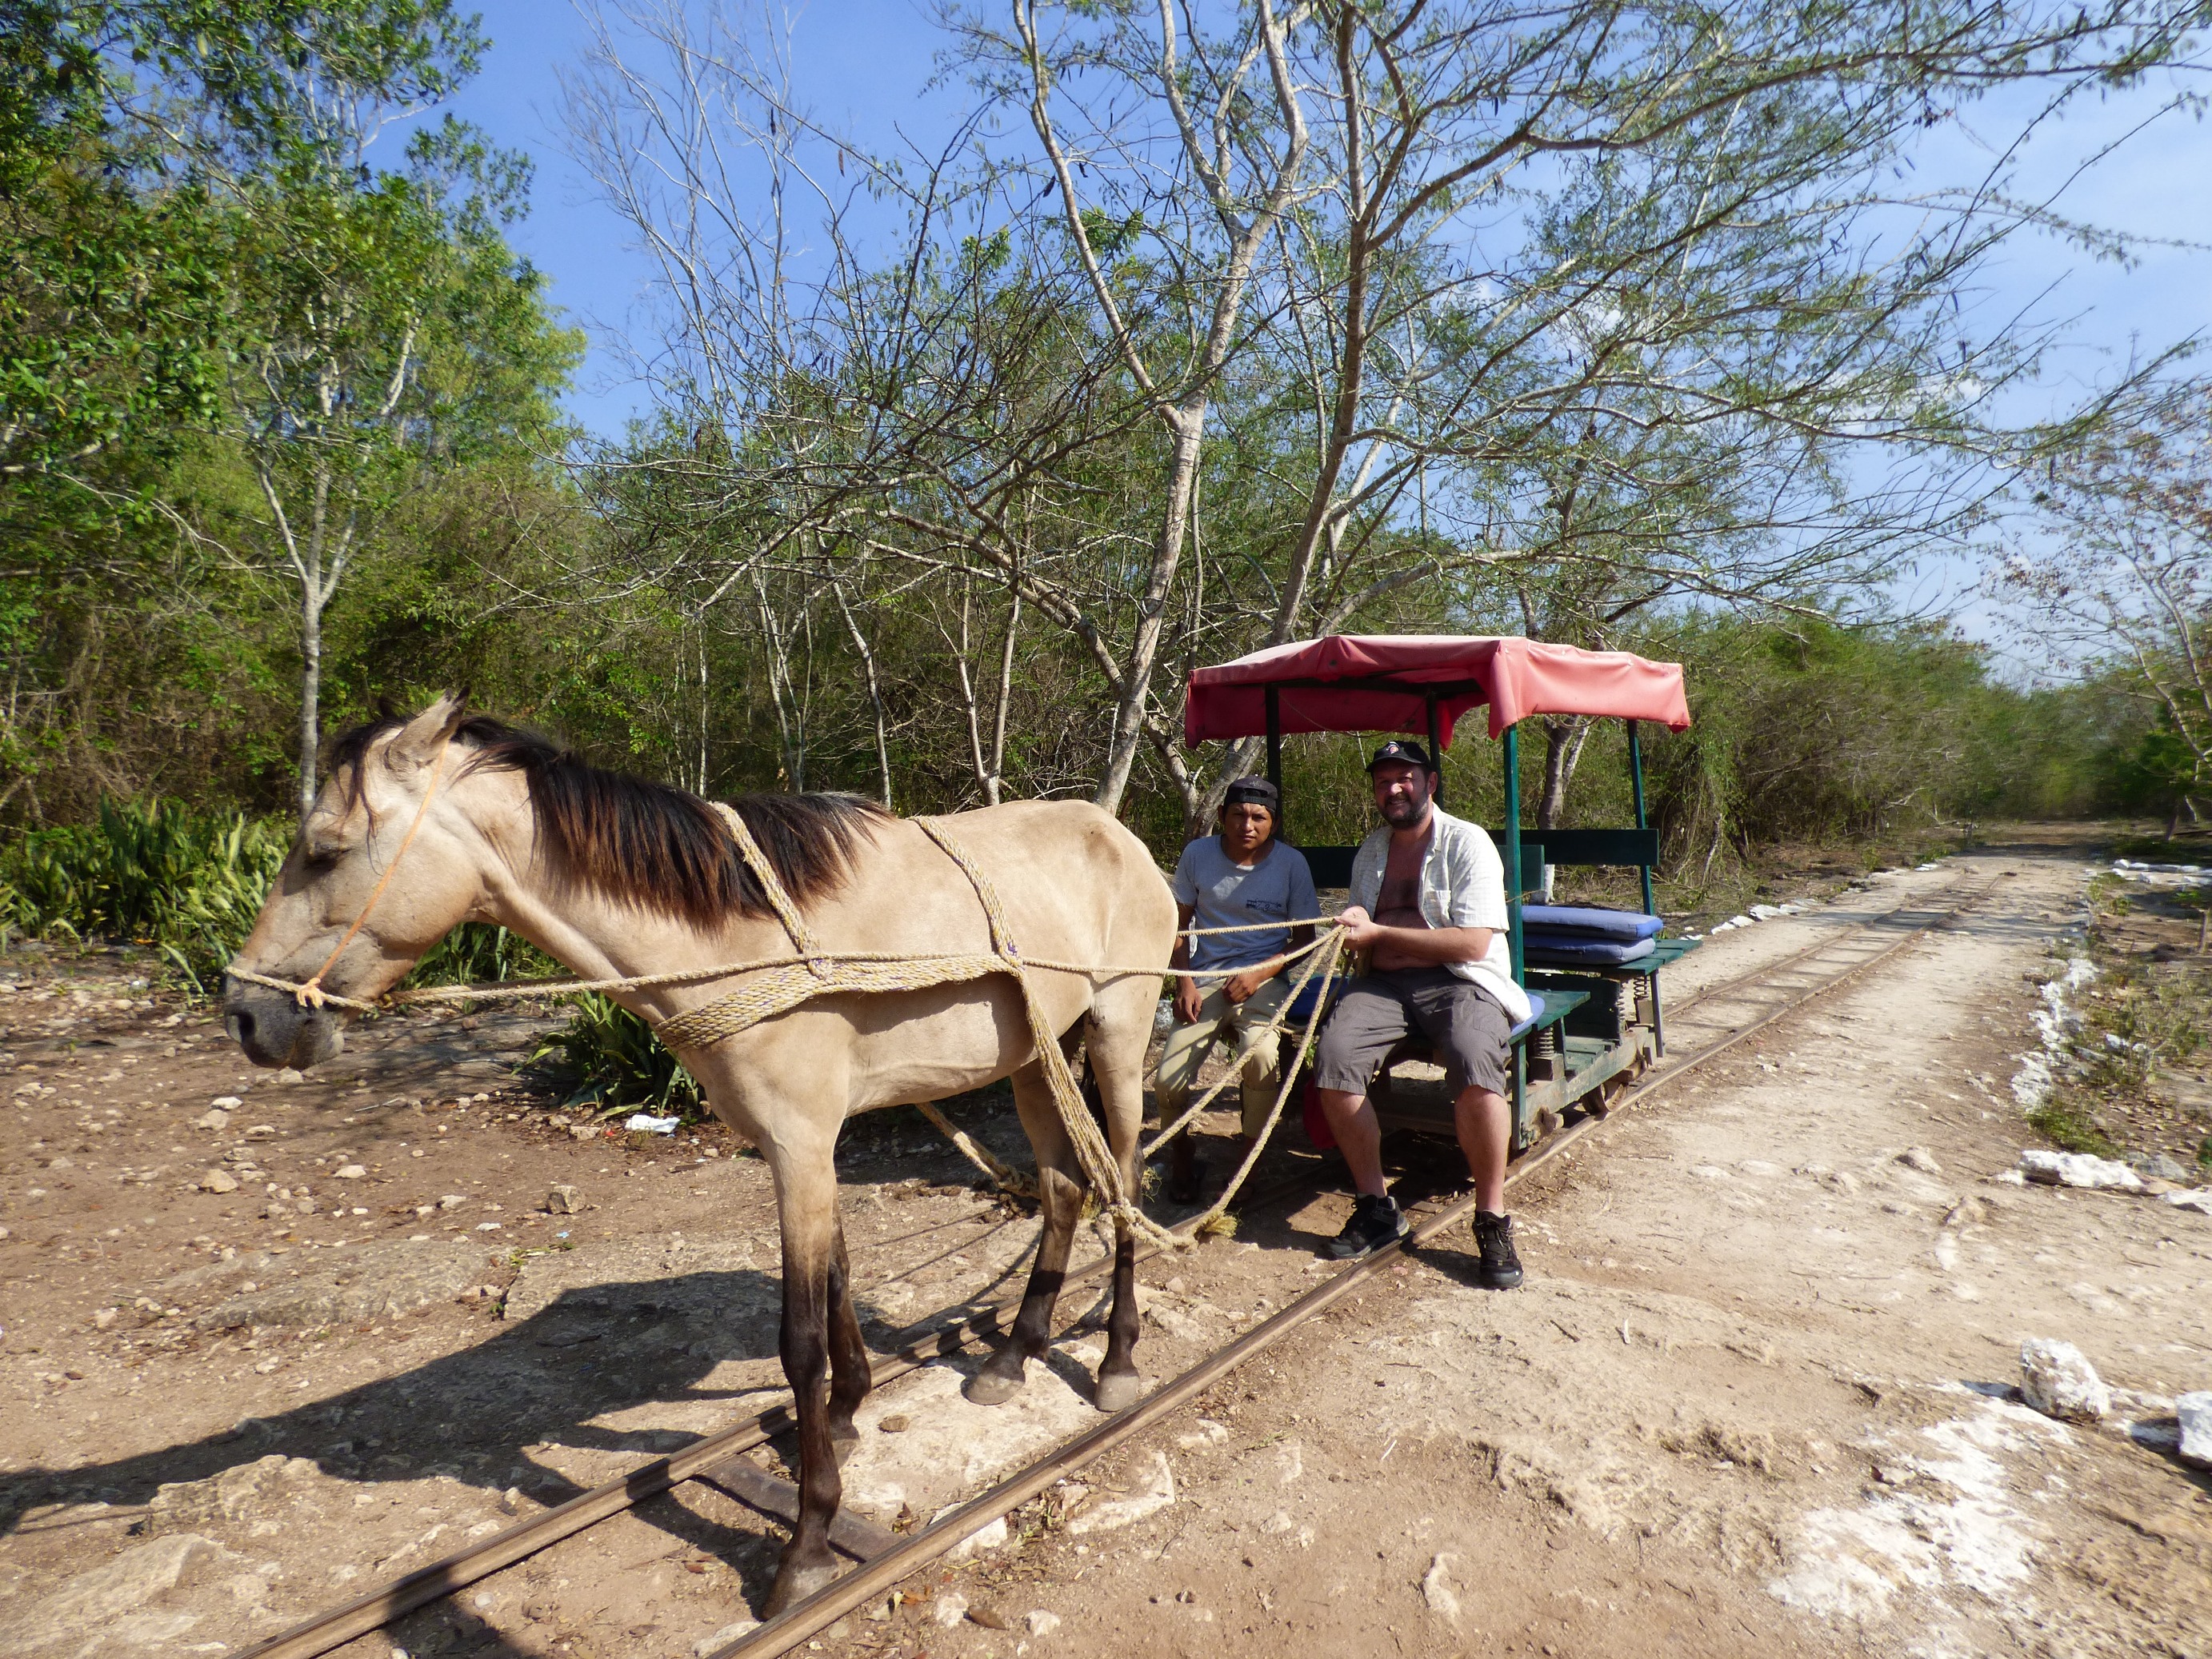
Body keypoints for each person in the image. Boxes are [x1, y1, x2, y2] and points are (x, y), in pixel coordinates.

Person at [1310, 740, 1529, 1286]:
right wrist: (1357, 921)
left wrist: (1378, 931)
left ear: (1429, 782)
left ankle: (1491, 1217)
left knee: (1475, 1060)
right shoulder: (1371, 849)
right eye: (1383, 781)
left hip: (1459, 982)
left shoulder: (1466, 842)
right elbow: (1367, 921)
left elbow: (1473, 945)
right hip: (1382, 983)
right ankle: (1376, 1205)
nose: (1393, 789)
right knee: (1333, 1058)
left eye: (1404, 778)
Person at [1156, 778, 1318, 1202]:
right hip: (1205, 980)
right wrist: (1185, 981)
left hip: (1263, 981)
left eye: (1258, 817)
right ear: (1224, 817)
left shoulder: (1291, 865)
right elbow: (1179, 926)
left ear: (1273, 822)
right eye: (1238, 815)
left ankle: (1249, 1161)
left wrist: (1260, 975)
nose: (1248, 824)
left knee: (1261, 1056)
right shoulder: (1198, 855)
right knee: (1167, 1082)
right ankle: (1181, 1154)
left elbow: (1305, 940)